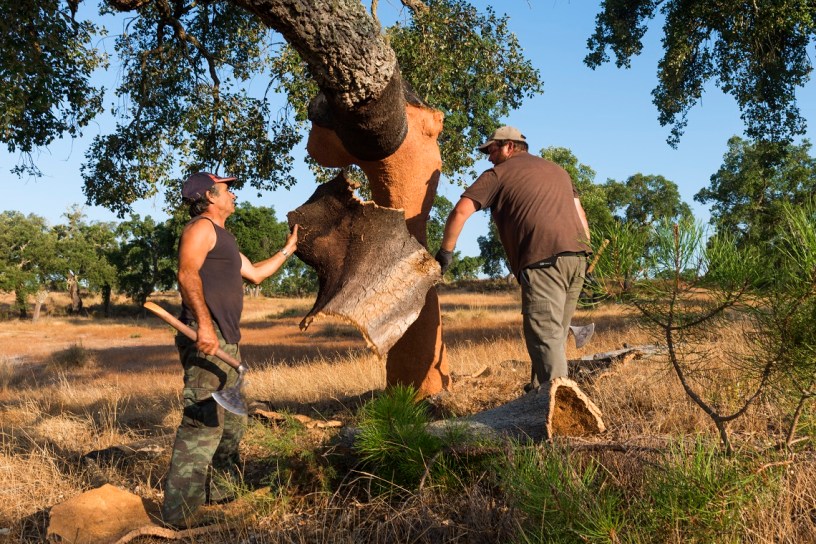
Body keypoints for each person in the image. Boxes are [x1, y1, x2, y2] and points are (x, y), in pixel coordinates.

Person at [161, 172, 299, 526]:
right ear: (210, 195)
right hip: (206, 337)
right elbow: (187, 274)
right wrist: (204, 325)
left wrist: (288, 250)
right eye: (227, 189)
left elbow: (255, 274)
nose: (233, 193)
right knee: (201, 423)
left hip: (227, 342)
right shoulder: (200, 229)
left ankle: (222, 496)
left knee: (233, 424)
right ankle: (179, 517)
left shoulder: (225, 238)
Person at [435, 126, 590, 392]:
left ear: (509, 146)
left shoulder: (498, 174)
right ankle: (536, 394)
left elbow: (460, 211)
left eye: (492, 150)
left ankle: (559, 407)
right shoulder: (558, 171)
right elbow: (580, 213)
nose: (488, 157)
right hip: (577, 257)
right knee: (554, 333)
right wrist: (585, 258)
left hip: (543, 260)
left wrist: (445, 253)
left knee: (545, 336)